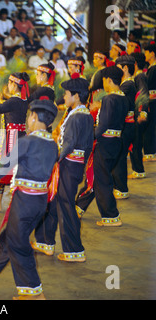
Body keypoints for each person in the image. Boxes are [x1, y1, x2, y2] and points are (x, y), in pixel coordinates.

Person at [0, 98, 58, 300]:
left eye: (29, 116)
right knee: (9, 236)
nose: (27, 120)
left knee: (19, 244)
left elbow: (2, 168)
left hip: (24, 202)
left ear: (34, 117)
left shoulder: (26, 142)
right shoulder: (52, 145)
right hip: (39, 202)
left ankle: (34, 292)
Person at [33, 75, 94, 262]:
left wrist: (52, 159)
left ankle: (74, 250)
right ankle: (45, 241)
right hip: (72, 166)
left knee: (66, 207)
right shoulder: (82, 114)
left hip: (68, 166)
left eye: (67, 94)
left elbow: (67, 145)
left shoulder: (77, 117)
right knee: (55, 203)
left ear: (76, 96)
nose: (64, 98)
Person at [75, 66, 129, 226]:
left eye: (104, 80)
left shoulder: (109, 99)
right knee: (98, 178)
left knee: (102, 180)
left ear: (109, 81)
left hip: (104, 143)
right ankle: (80, 206)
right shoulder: (123, 98)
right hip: (117, 141)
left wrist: (88, 137)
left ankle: (111, 216)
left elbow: (103, 125)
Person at [0, 73, 30, 212]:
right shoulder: (22, 99)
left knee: (3, 171)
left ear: (14, 85)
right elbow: (8, 106)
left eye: (9, 83)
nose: (8, 86)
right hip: (19, 136)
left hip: (12, 139)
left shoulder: (13, 101)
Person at [112, 55, 137, 200]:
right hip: (126, 125)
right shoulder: (127, 84)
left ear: (125, 68)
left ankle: (121, 188)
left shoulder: (127, 85)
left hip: (126, 126)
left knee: (120, 157)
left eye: (118, 68)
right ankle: (119, 186)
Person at [128, 52, 149, 178]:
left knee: (136, 143)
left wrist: (142, 112)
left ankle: (139, 170)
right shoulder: (138, 76)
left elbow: (143, 94)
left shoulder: (139, 76)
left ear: (134, 64)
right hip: (138, 113)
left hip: (139, 115)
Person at [143, 43, 156, 161]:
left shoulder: (153, 68)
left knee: (150, 126)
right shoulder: (151, 67)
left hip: (152, 101)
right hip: (152, 100)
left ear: (152, 54)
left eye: (146, 52)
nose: (145, 55)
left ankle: (150, 152)